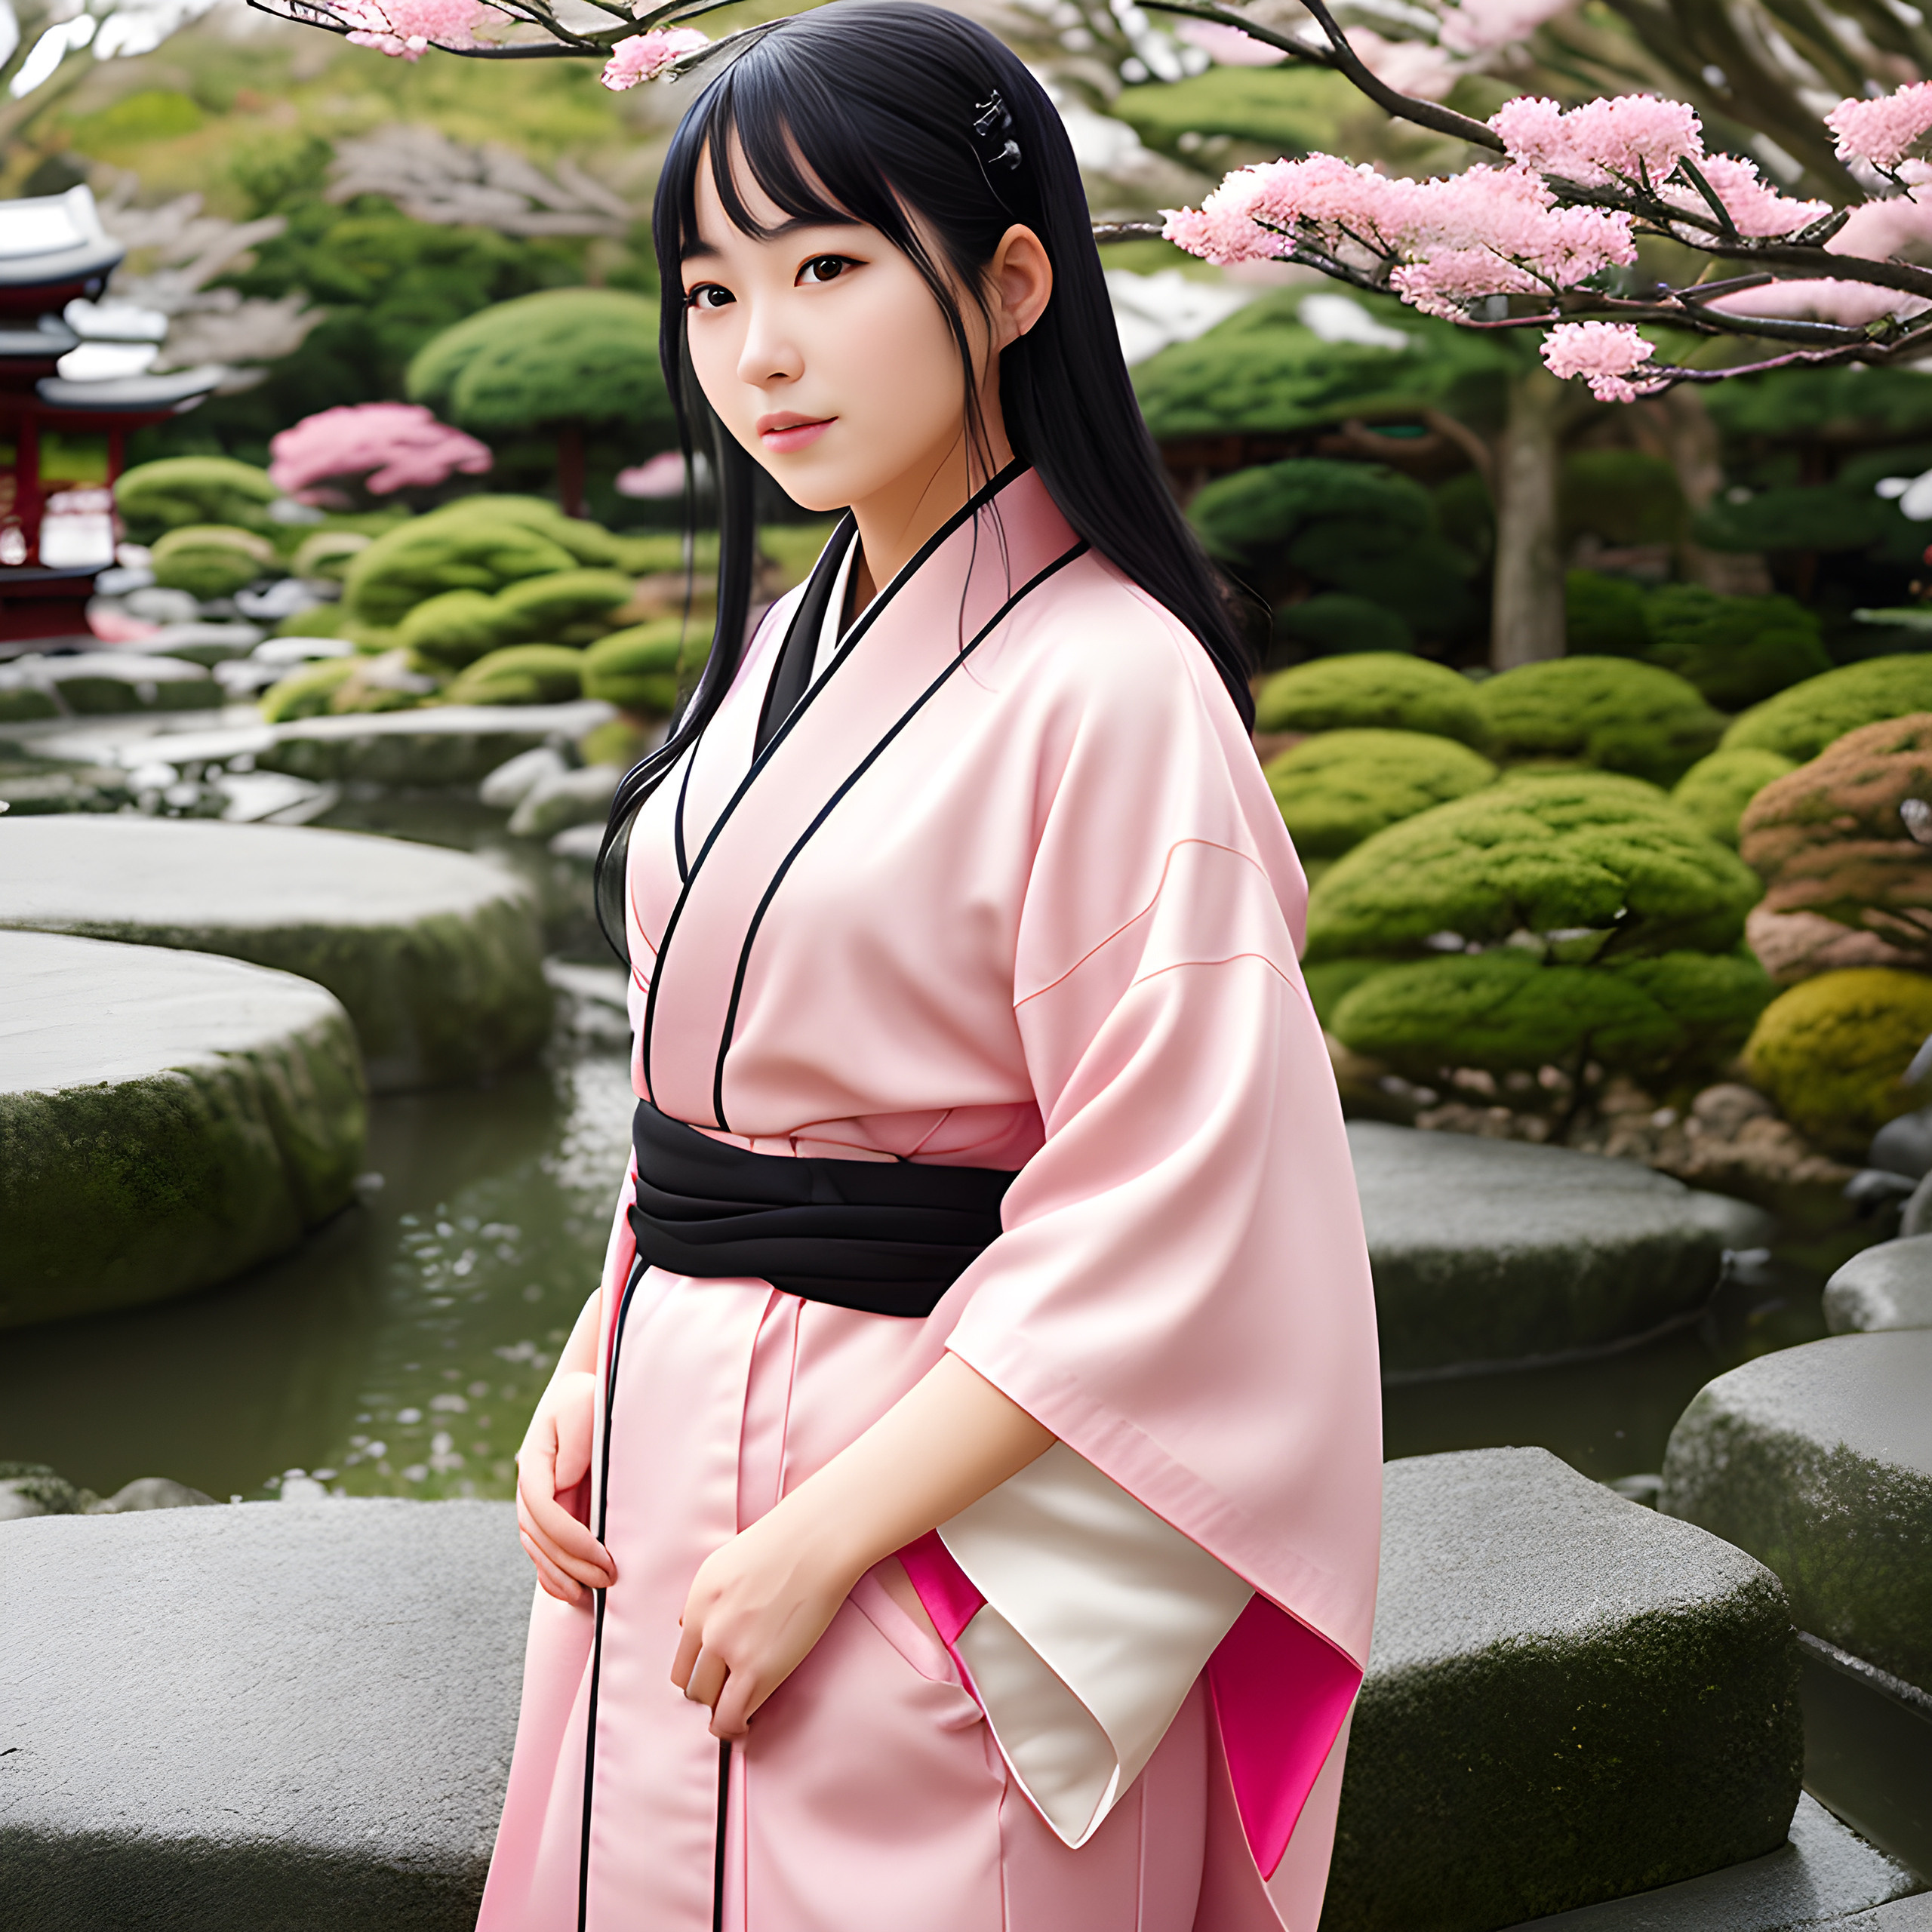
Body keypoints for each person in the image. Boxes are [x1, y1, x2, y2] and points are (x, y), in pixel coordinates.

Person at [476, 8, 1381, 1928]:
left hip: (928, 1512)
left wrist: (828, 1534)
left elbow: (1174, 1209)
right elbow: (706, 1083)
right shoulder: (787, 638)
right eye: (709, 293)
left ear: (1011, 279)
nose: (761, 352)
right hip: (670, 1463)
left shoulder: (1115, 682)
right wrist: (589, 1351)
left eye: (823, 267)